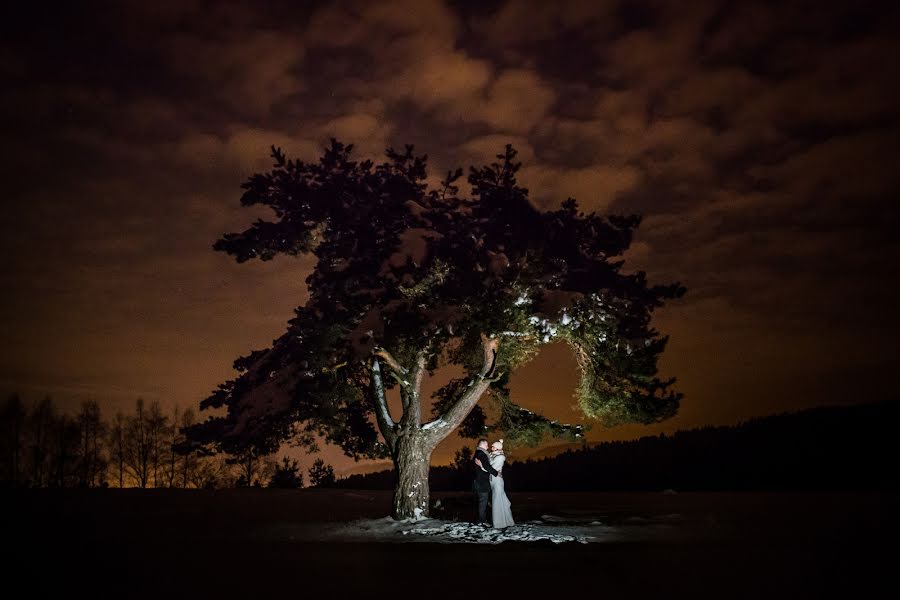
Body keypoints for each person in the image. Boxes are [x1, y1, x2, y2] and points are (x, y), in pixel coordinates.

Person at [483, 439, 515, 528]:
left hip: (497, 480)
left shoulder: (500, 457)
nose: (491, 447)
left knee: (497, 500)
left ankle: (499, 523)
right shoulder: (492, 455)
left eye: (493, 446)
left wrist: (483, 465)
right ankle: (505, 521)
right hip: (492, 480)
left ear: (497, 448)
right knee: (497, 500)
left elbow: (491, 467)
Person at [471, 439, 498, 526]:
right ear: (482, 445)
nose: (488, 446)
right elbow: (487, 466)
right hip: (482, 482)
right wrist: (496, 473)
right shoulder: (481, 454)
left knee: (483, 502)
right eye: (487, 445)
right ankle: (481, 521)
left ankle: (482, 519)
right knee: (483, 502)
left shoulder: (478, 453)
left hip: (479, 482)